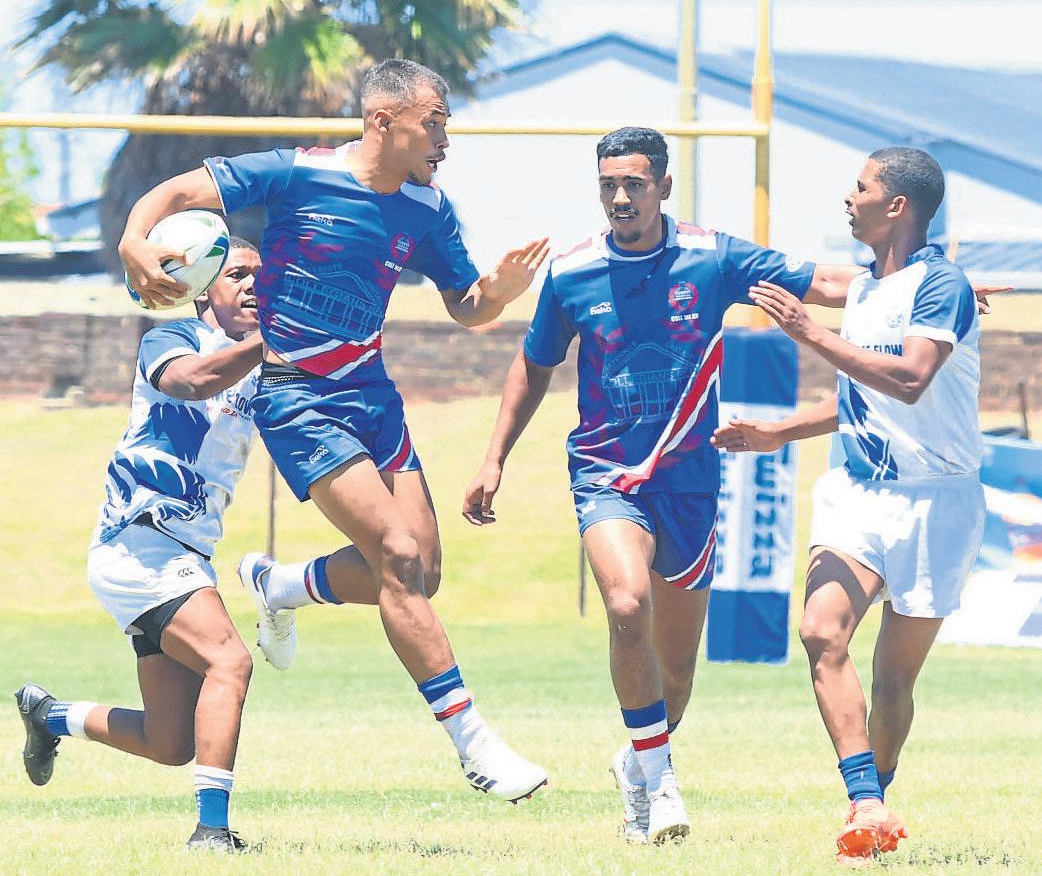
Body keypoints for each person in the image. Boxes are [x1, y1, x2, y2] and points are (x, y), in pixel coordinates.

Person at [119, 58, 551, 804]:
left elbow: (466, 305)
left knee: (423, 572)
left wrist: (500, 294)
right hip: (296, 397)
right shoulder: (298, 173)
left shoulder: (428, 208)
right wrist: (135, 240)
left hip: (372, 394)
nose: (445, 140)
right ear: (384, 120)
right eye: (434, 124)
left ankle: (282, 584)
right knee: (397, 554)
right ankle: (474, 744)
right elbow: (180, 192)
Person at [461, 126, 869, 844]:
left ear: (664, 187)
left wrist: (923, 289)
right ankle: (661, 785)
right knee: (626, 603)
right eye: (608, 185)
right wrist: (495, 457)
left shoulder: (714, 257)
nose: (620, 197)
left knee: (676, 668)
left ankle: (639, 760)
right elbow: (533, 364)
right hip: (606, 476)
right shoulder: (572, 270)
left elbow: (825, 282)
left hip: (690, 482)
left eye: (634, 184)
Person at [712, 147, 987, 863]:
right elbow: (863, 404)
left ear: (896, 205)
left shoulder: (944, 285)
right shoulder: (864, 287)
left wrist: (811, 333)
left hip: (936, 502)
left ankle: (877, 803)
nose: (848, 197)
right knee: (820, 631)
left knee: (894, 681)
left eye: (860, 187)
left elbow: (909, 382)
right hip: (856, 493)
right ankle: (863, 798)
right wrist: (780, 432)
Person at [15, 239, 265, 851]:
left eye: (262, 275)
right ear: (203, 286)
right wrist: (275, 341)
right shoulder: (172, 339)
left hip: (185, 553)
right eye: (237, 274)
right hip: (140, 544)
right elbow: (192, 382)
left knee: (169, 742)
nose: (254, 285)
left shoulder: (263, 365)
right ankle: (211, 833)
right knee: (229, 661)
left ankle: (50, 715)